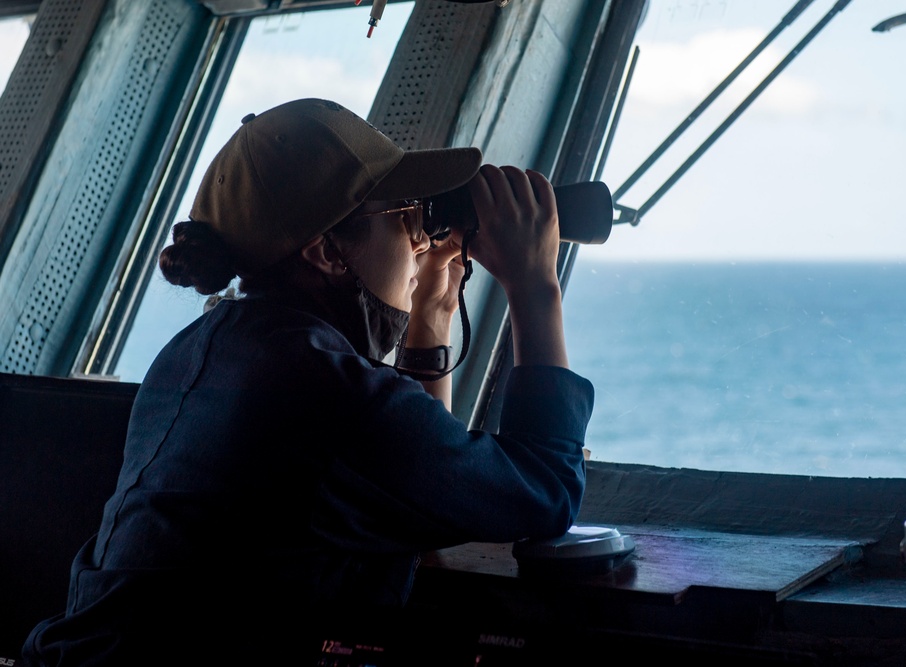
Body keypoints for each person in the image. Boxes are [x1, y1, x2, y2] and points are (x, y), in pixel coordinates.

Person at [21, 97, 594, 665]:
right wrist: (535, 284)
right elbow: (545, 491)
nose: (420, 239)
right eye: (402, 217)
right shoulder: (327, 394)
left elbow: (421, 493)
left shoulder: (205, 353)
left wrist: (432, 315)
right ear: (325, 251)